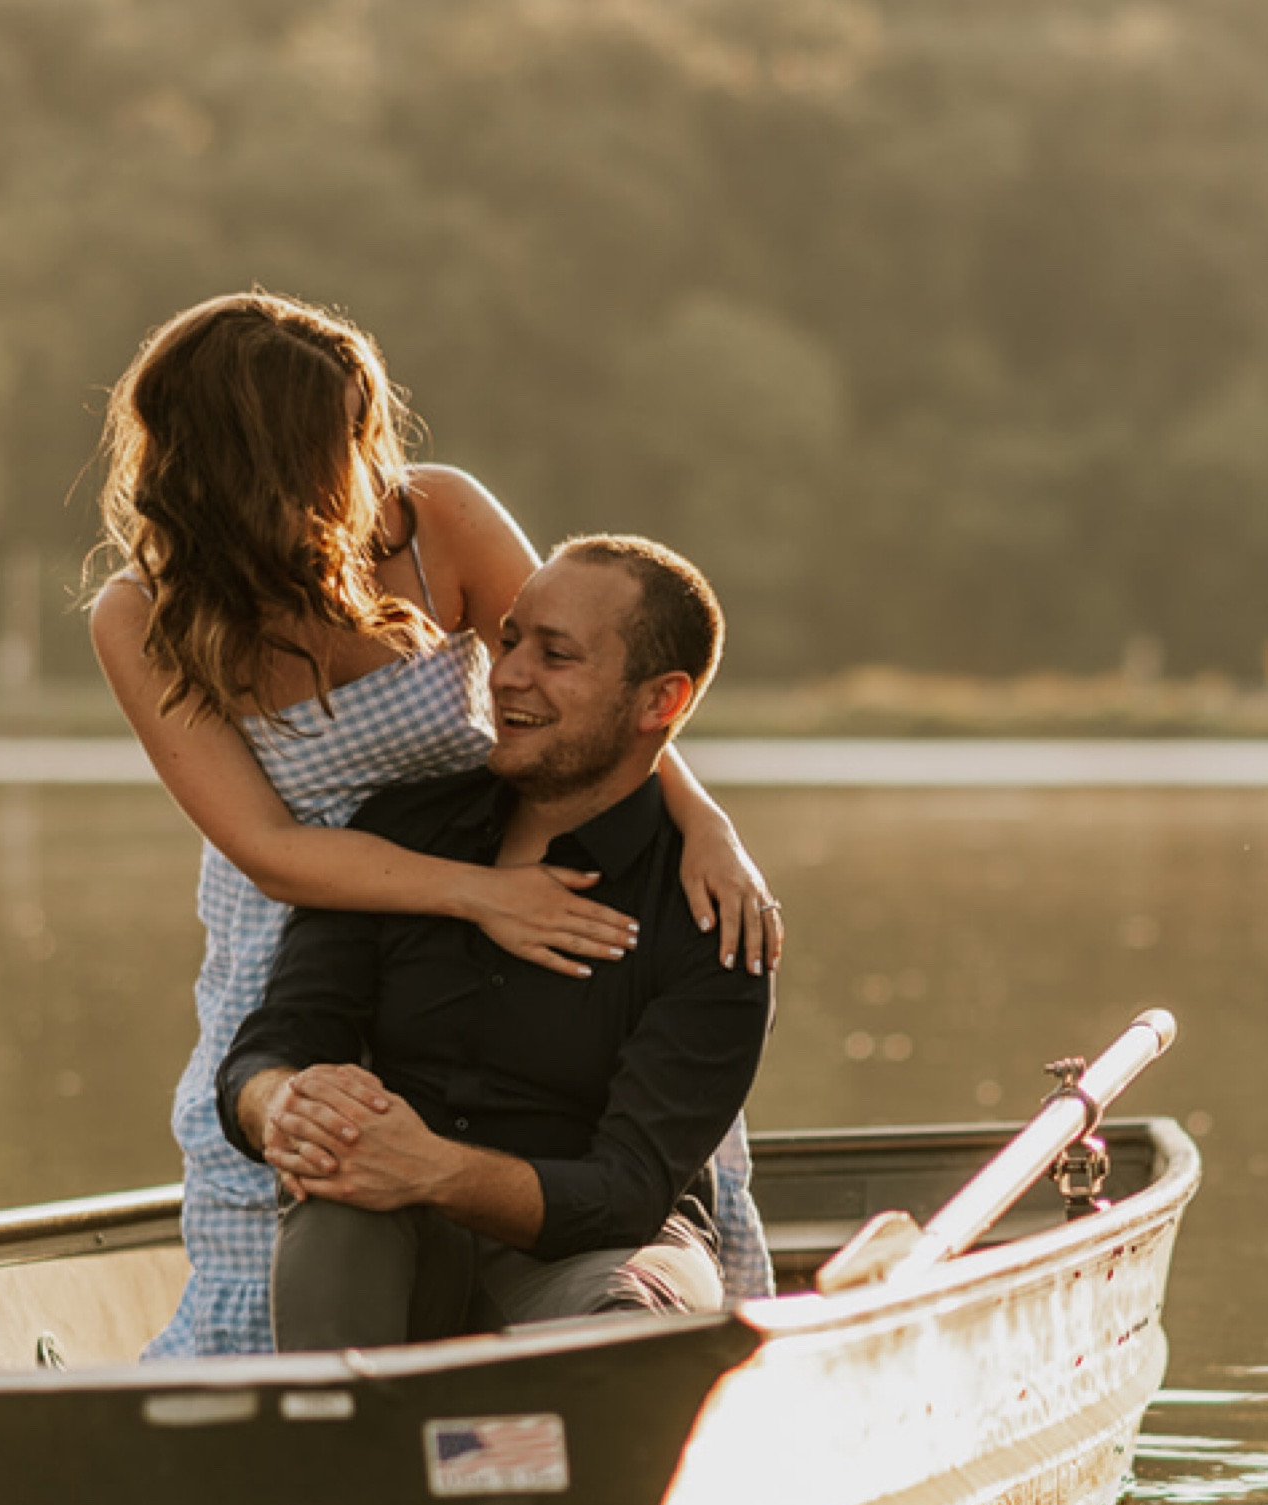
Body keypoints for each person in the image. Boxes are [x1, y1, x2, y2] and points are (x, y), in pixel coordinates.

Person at [88, 289, 781, 1356]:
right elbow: (270, 850)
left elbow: (604, 688)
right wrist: (479, 897)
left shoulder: (431, 519)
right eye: (342, 436)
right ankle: (317, 1412)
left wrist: (705, 824)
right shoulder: (145, 614)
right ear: (255, 457)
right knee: (307, 1179)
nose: (370, 458)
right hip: (326, 901)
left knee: (608, 1168)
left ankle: (598, 1346)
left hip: (517, 843)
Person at [217, 536, 773, 1347]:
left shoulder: (713, 914)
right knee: (335, 1188)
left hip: (598, 1254)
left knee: (626, 1316)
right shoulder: (399, 832)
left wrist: (432, 1167)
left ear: (660, 700)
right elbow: (275, 1043)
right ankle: (338, 1429)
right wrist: (283, 1105)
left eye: (556, 655)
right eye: (508, 641)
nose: (507, 673)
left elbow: (626, 1193)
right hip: (397, 1238)